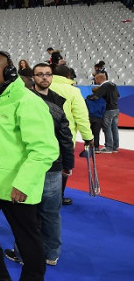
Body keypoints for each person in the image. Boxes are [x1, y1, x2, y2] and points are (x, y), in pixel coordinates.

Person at [0, 51, 58, 281]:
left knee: (27, 237)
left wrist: (24, 183)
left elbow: (44, 150)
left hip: (17, 185)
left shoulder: (28, 102)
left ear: (8, 73)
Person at [3, 66, 75, 267]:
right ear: (33, 78)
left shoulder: (57, 101)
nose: (45, 77)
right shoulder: (23, 100)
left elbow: (65, 136)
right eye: (40, 74)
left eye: (48, 74)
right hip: (29, 165)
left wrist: (68, 163)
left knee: (46, 214)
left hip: (51, 166)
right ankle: (24, 253)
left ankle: (49, 254)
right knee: (28, 215)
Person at [49, 64, 93, 205]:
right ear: (68, 75)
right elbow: (81, 116)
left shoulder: (40, 87)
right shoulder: (73, 91)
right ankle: (58, 197)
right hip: (64, 136)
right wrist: (88, 137)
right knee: (63, 167)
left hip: (41, 134)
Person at [90, 73, 120, 153]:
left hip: (108, 109)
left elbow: (96, 97)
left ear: (99, 79)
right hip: (116, 109)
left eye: (96, 80)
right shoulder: (113, 84)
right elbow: (118, 96)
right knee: (114, 128)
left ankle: (108, 147)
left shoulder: (104, 86)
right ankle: (115, 147)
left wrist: (89, 98)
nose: (96, 82)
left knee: (107, 128)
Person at [85, 86, 106, 152]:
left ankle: (87, 146)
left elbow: (85, 108)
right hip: (98, 118)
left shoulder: (87, 99)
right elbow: (103, 109)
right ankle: (96, 148)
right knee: (96, 133)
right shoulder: (102, 100)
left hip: (89, 117)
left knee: (88, 132)